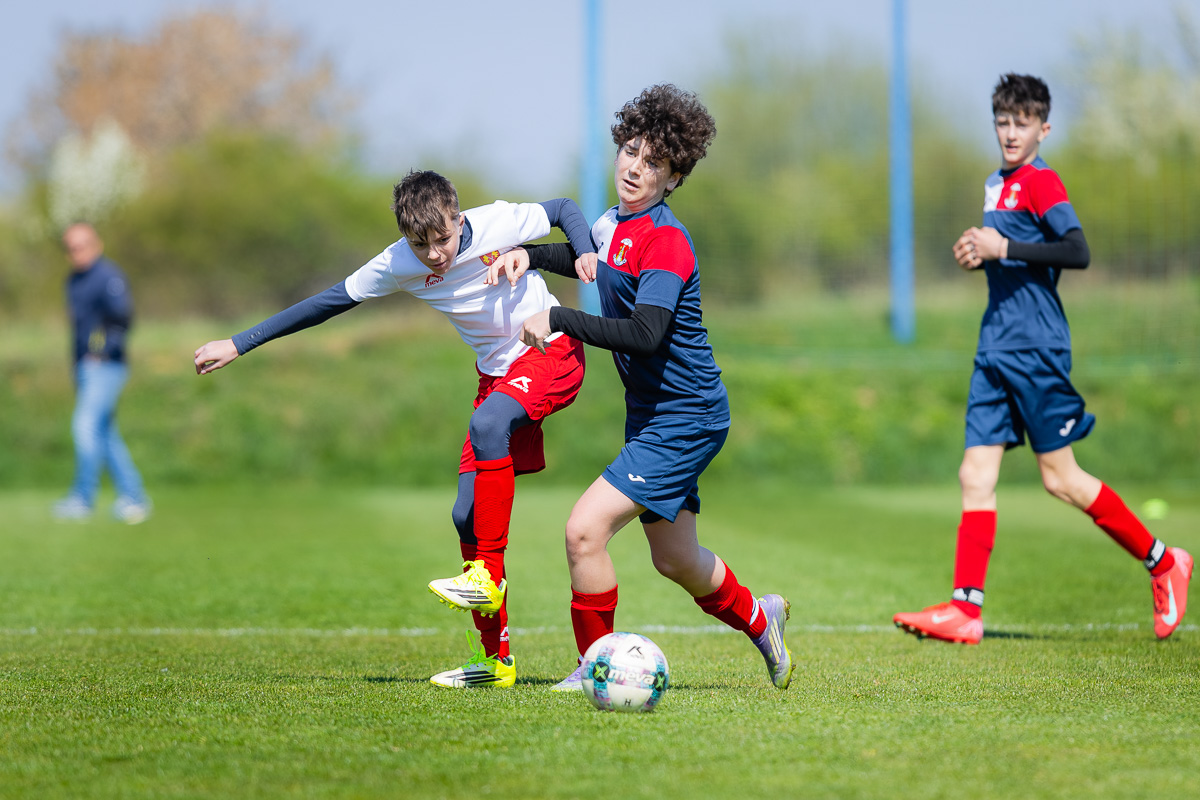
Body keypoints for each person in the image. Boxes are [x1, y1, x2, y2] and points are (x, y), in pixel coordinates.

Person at [193, 171, 594, 687]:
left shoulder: (497, 222)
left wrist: (584, 251)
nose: (434, 254)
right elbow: (325, 303)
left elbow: (562, 208)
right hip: (496, 377)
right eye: (420, 245)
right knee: (467, 516)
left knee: (488, 422)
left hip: (551, 350)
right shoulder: (398, 263)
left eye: (443, 238)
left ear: (457, 216)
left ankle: (487, 575)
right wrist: (239, 343)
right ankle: (495, 662)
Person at [494, 84, 794, 691]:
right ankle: (763, 619)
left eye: (653, 161)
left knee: (584, 531)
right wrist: (530, 255)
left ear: (674, 176)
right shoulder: (613, 224)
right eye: (629, 151)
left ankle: (593, 668)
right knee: (675, 557)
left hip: (687, 414)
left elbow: (646, 334)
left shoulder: (668, 240)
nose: (634, 167)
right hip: (653, 414)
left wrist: (557, 318)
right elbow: (591, 260)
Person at [893, 74, 1192, 644]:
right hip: (994, 347)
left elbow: (1076, 250)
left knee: (1061, 479)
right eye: (1002, 122)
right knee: (974, 473)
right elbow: (1013, 259)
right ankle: (965, 611)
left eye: (1022, 123)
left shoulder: (1042, 181)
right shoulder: (995, 184)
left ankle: (1163, 561)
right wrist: (980, 254)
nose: (1011, 133)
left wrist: (1004, 246)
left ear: (1043, 129)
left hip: (1036, 348)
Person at [52, 222, 152, 525]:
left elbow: (121, 319)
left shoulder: (108, 276)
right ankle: (134, 498)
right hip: (84, 367)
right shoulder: (74, 280)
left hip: (106, 365)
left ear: (97, 244)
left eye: (82, 245)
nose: (77, 252)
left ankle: (82, 498)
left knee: (84, 427)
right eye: (71, 248)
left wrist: (101, 352)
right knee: (105, 434)